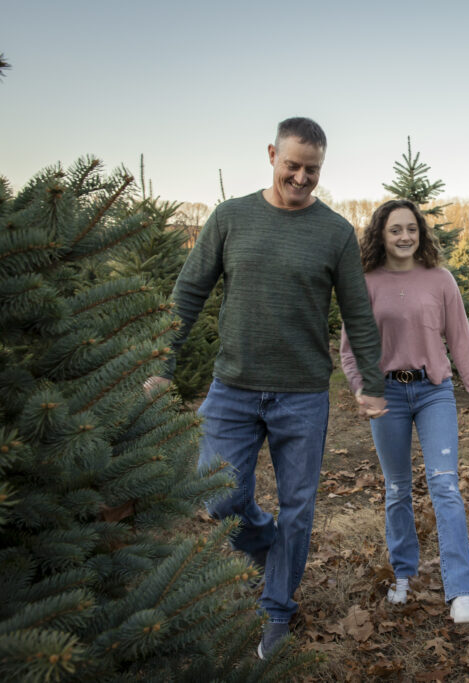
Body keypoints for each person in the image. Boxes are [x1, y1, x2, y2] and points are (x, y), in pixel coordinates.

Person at [143, 117, 387, 658]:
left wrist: (370, 382)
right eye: (292, 165)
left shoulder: (335, 232)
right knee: (220, 495)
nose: (301, 178)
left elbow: (359, 314)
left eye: (313, 170)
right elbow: (188, 292)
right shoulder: (231, 218)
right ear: (272, 153)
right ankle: (263, 541)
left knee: (299, 507)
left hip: (302, 394)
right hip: (231, 387)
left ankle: (277, 607)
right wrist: (163, 361)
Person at [339, 199, 469, 624]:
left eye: (411, 229)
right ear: (380, 235)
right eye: (395, 230)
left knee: (445, 487)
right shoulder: (365, 282)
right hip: (388, 395)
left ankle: (462, 592)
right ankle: (403, 573)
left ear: (421, 233)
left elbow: (461, 342)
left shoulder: (440, 279)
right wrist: (363, 391)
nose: (405, 237)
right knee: (398, 488)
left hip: (433, 392)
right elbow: (350, 352)